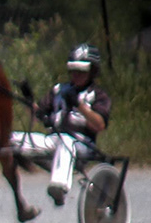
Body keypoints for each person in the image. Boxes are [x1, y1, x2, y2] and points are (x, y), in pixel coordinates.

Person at [35, 44, 112, 206]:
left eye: (81, 71)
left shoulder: (97, 95)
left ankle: (59, 186)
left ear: (92, 71)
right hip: (54, 140)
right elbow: (38, 115)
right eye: (73, 70)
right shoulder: (58, 90)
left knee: (65, 140)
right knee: (18, 139)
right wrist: (29, 101)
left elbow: (100, 125)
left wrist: (79, 105)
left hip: (82, 144)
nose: (76, 75)